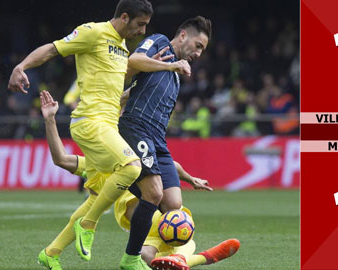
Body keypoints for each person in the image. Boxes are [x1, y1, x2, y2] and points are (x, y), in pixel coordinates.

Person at [8, 1, 188, 269]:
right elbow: (53, 49)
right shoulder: (93, 32)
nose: (143, 31)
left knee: (96, 195)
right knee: (131, 167)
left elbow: (117, 95)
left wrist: (141, 86)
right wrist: (21, 66)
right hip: (90, 122)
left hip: (109, 127)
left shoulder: (123, 47)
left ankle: (51, 252)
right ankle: (89, 225)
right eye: (140, 24)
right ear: (124, 17)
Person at [38, 90, 239, 270]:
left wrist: (190, 178)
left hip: (141, 221)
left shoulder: (121, 153)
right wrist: (50, 120)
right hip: (146, 212)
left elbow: (61, 159)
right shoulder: (97, 163)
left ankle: (190, 259)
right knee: (182, 228)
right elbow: (62, 159)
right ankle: (200, 258)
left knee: (150, 257)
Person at [119, 16, 212, 223]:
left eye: (202, 50)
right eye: (198, 46)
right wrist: (170, 66)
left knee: (173, 204)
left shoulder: (177, 77)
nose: (198, 53)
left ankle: (143, 205)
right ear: (183, 35)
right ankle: (137, 250)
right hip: (136, 127)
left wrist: (190, 179)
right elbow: (132, 62)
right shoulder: (160, 43)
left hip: (158, 139)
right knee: (154, 194)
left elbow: (139, 88)